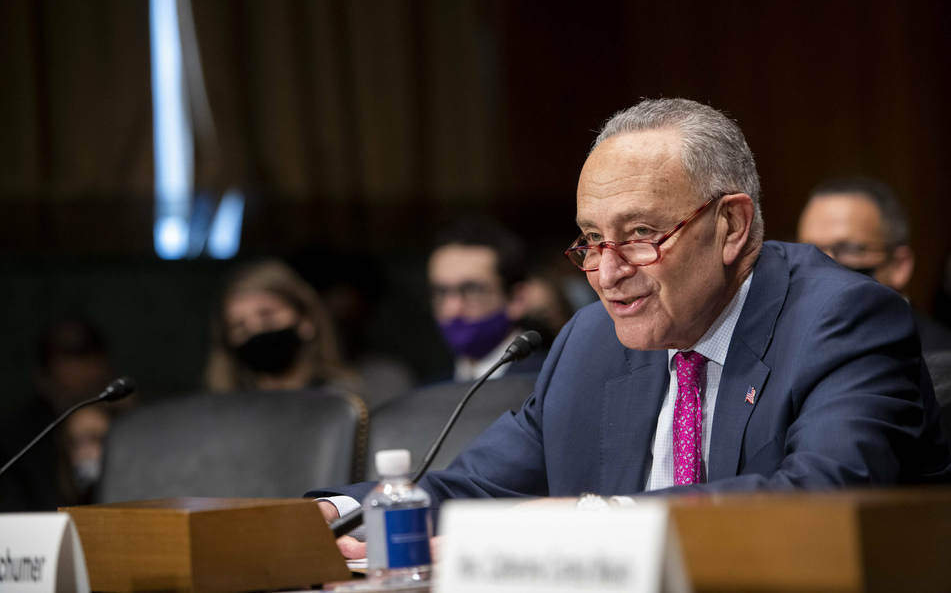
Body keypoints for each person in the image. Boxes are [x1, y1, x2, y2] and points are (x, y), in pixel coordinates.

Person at [313, 98, 950, 556]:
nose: (607, 273)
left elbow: (822, 500)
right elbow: (472, 487)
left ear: (729, 226)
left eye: (641, 234)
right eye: (591, 240)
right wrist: (330, 515)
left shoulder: (842, 320)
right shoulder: (591, 341)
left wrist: (592, 519)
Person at [797, 176, 951, 353]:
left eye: (849, 249)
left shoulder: (942, 358)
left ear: (899, 265)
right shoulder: (787, 347)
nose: (821, 264)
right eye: (808, 250)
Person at [0, 317, 124, 511]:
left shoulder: (133, 422)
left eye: (82, 353)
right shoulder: (19, 436)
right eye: (65, 356)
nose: (75, 368)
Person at [204, 259, 363, 396]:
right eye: (239, 326)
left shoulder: (341, 399)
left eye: (268, 316)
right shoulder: (222, 410)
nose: (255, 329)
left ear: (305, 320)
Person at [428, 217, 547, 381]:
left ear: (517, 300)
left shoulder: (548, 382)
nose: (452, 309)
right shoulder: (429, 390)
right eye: (441, 292)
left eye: (472, 290)